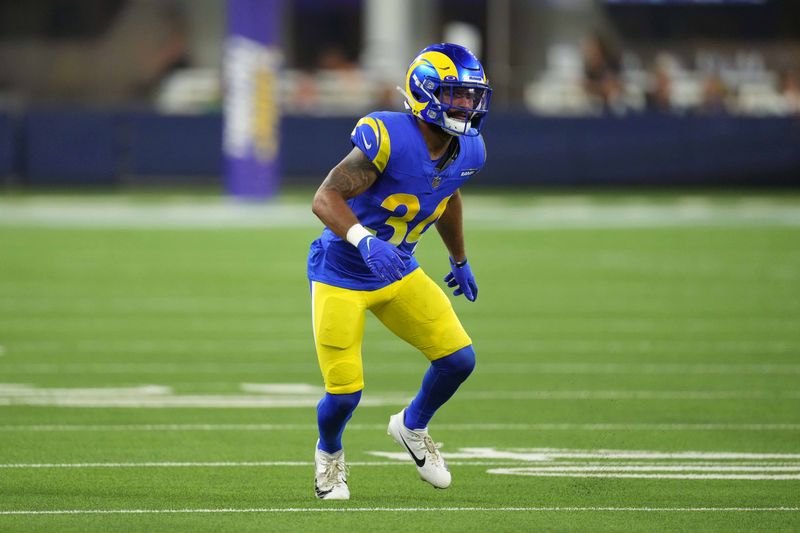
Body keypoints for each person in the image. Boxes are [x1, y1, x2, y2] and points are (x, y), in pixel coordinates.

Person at [307, 43, 491, 500]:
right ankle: (329, 454)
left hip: (396, 270)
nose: (466, 105)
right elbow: (324, 198)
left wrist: (460, 259)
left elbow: (447, 195)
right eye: (456, 95)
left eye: (471, 96)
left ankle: (412, 425)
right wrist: (364, 240)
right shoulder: (388, 136)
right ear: (425, 93)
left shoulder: (468, 150)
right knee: (345, 394)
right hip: (342, 272)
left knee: (458, 359)